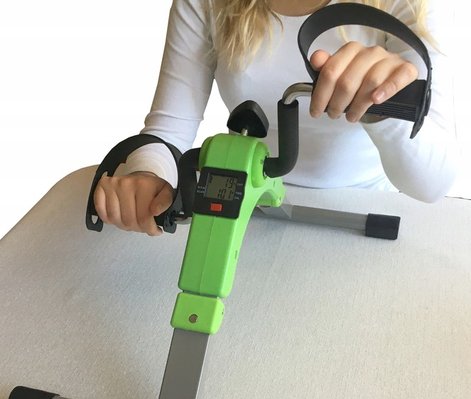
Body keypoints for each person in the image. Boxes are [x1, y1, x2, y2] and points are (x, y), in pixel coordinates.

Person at [93, 0, 459, 236]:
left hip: (364, 216)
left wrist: (383, 107)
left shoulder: (409, 5)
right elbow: (170, 128)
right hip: (247, 210)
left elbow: (433, 183)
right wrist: (147, 175)